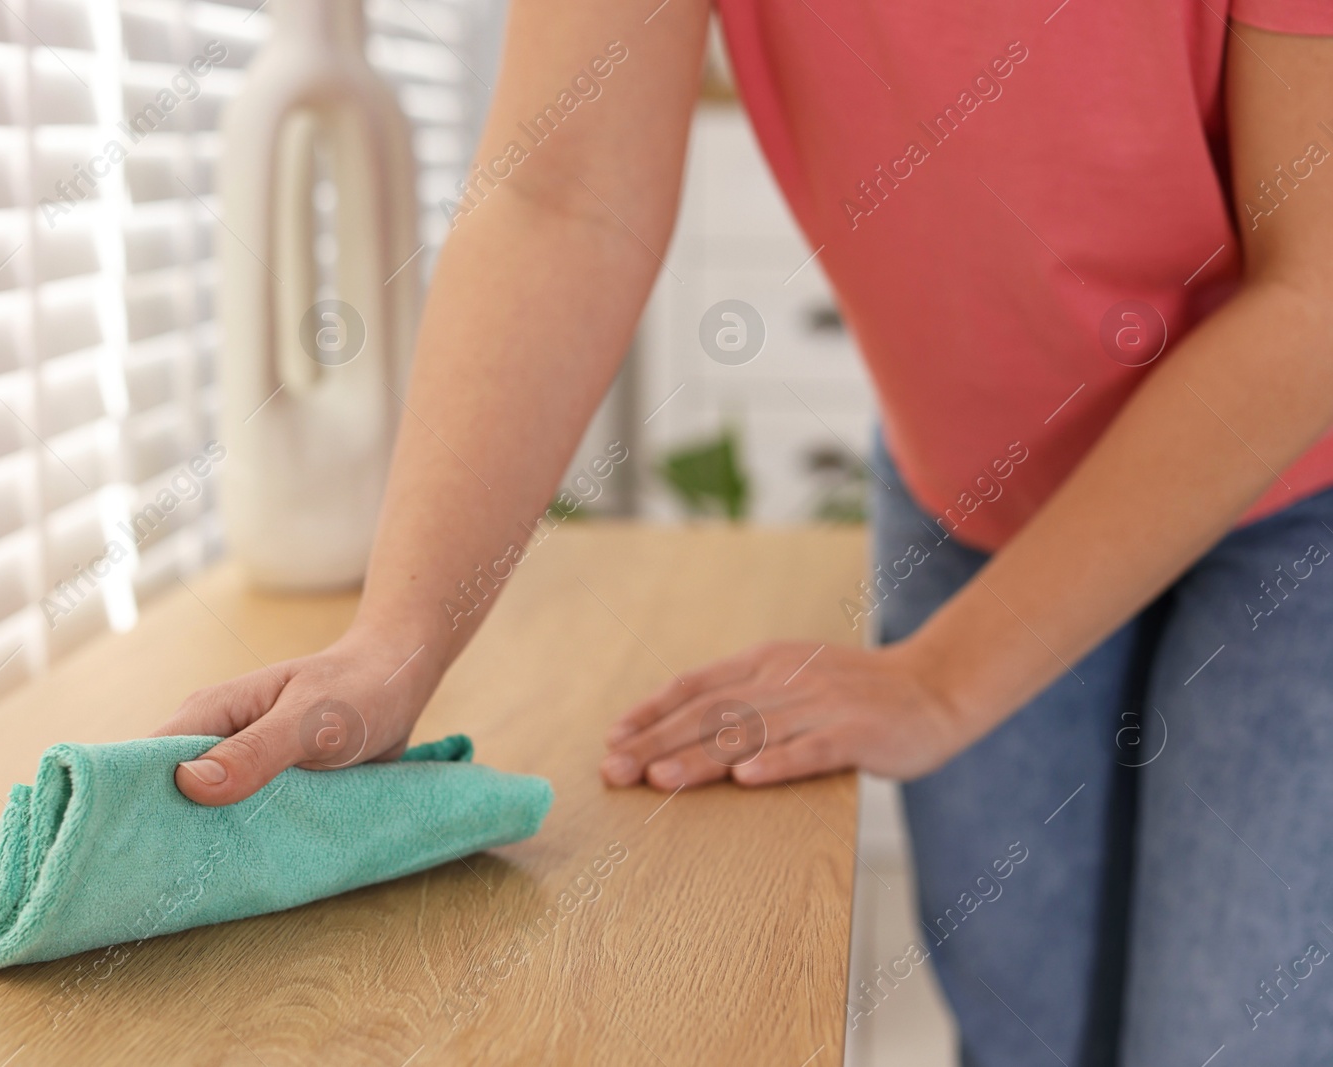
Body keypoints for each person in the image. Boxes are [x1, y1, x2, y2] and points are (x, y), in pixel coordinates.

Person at [153, 1, 1333, 1062]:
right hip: (978, 493)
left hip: (1302, 500)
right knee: (1025, 1028)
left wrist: (940, 682)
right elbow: (562, 193)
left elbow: (1313, 294)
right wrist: (393, 642)